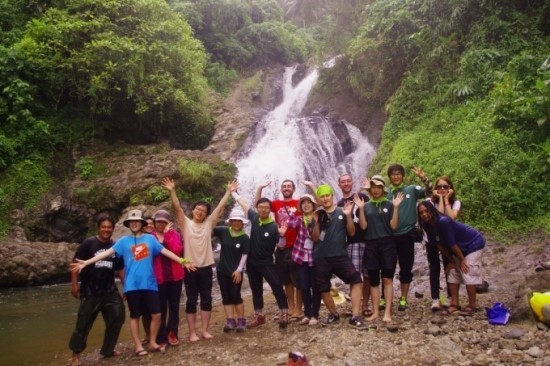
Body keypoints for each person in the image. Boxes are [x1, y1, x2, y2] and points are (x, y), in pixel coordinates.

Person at [70, 209, 196, 357]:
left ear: (142, 223)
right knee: (135, 316)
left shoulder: (150, 239)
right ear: (129, 224)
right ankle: (137, 346)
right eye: (132, 222)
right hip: (132, 286)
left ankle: (153, 342)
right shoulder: (123, 241)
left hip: (150, 284)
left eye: (137, 221)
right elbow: (106, 253)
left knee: (156, 315)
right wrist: (86, 262)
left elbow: (165, 252)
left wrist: (182, 261)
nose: (134, 224)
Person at [161, 177, 237, 342]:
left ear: (206, 214)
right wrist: (172, 191)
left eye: (203, 210)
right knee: (191, 300)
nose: (200, 211)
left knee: (207, 299)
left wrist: (228, 192)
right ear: (193, 210)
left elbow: (218, 209)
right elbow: (177, 208)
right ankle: (192, 333)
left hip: (206, 268)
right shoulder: (185, 224)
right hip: (190, 268)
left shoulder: (209, 224)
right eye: (197, 209)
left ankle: (204, 330)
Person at [67, 215, 125, 366]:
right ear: (99, 228)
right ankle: (75, 354)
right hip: (90, 290)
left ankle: (108, 350)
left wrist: (125, 288)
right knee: (83, 323)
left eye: (109, 227)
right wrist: (74, 284)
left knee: (118, 316)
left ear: (113, 228)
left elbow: (119, 269)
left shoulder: (115, 246)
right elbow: (75, 263)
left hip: (110, 290)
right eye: (103, 227)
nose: (106, 229)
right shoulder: (89, 243)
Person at [232, 188, 290, 328]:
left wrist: (282, 235)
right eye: (260, 207)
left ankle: (284, 313)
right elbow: (244, 204)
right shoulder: (254, 217)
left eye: (266, 208)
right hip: (252, 263)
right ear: (257, 208)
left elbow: (281, 246)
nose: (263, 210)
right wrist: (232, 192)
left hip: (267, 262)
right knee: (256, 289)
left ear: (270, 210)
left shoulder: (274, 227)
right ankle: (259, 316)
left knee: (277, 286)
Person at [310, 184, 366, 329]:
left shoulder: (342, 211)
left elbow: (352, 233)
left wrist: (348, 216)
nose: (325, 198)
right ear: (320, 199)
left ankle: (355, 315)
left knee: (356, 280)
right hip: (321, 257)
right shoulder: (317, 214)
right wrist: (316, 222)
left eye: (327, 195)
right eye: (322, 196)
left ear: (332, 195)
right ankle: (333, 313)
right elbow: (315, 238)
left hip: (340, 255)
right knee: (323, 287)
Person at [417, 202, 485, 315]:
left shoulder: (444, 221)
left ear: (432, 210)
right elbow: (439, 245)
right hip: (458, 248)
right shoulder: (426, 225)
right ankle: (455, 304)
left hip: (473, 243)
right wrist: (453, 261)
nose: (424, 214)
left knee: (467, 269)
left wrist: (462, 260)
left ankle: (472, 305)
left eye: (426, 211)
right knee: (452, 271)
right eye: (421, 213)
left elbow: (452, 243)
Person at [355, 175, 404, 322]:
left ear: (383, 189)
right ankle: (376, 311)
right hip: (371, 244)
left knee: (387, 279)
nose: (376, 190)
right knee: (374, 280)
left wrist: (395, 208)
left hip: (388, 244)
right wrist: (361, 209)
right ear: (370, 189)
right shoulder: (367, 205)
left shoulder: (389, 204)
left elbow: (394, 226)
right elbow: (363, 226)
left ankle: (387, 312)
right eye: (373, 187)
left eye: (378, 187)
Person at [385, 164, 432, 311]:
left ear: (403, 176)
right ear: (390, 177)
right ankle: (384, 298)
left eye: (398, 173)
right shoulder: (386, 194)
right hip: (390, 236)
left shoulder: (411, 189)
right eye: (393, 174)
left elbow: (429, 192)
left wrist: (424, 178)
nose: (396, 176)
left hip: (406, 235)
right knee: (387, 269)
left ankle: (403, 299)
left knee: (406, 268)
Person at [255, 179, 303, 319]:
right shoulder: (275, 204)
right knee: (286, 280)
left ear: (294, 189)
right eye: (284, 186)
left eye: (289, 186)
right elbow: (258, 205)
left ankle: (299, 309)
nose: (286, 188)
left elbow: (314, 206)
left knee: (297, 280)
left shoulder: (299, 203)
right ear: (281, 189)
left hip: (296, 246)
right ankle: (291, 307)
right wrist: (260, 188)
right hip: (281, 247)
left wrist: (311, 187)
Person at [145, 209, 184, 346]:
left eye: (164, 222)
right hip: (158, 278)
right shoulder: (150, 237)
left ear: (168, 223)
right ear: (154, 222)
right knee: (160, 308)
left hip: (175, 277)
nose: (161, 224)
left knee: (174, 306)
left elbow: (177, 250)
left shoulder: (174, 234)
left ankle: (173, 332)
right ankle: (161, 337)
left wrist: (168, 235)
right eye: (159, 222)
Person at [337, 173, 371, 316]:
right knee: (355, 276)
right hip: (351, 243)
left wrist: (369, 189)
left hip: (368, 240)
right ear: (339, 185)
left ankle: (365, 305)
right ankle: (355, 306)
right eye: (343, 182)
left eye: (348, 181)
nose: (346, 183)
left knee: (368, 275)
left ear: (353, 182)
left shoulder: (362, 197)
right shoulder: (338, 205)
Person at [285, 194, 321, 326]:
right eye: (303, 203)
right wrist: (292, 214)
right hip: (301, 258)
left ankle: (315, 315)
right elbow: (289, 224)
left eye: (309, 203)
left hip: (315, 257)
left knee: (315, 287)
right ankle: (307, 314)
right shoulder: (299, 219)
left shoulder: (318, 218)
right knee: (304, 287)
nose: (306, 205)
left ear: (313, 205)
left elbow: (321, 236)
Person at [426, 176, 461, 311]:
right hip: (431, 239)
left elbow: (450, 218)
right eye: (439, 187)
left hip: (447, 240)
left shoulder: (456, 203)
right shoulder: (429, 201)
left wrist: (445, 199)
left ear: (450, 188)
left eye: (445, 186)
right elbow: (439, 216)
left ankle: (450, 297)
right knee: (434, 268)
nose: (442, 189)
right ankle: (435, 298)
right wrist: (440, 198)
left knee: (449, 266)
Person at [212, 209, 250, 332]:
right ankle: (230, 320)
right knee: (226, 296)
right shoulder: (223, 231)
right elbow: (210, 227)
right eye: (233, 221)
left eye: (238, 221)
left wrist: (239, 270)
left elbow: (245, 255)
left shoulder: (245, 238)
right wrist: (217, 215)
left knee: (236, 295)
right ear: (230, 221)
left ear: (242, 223)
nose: (236, 223)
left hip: (235, 271)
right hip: (222, 270)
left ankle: (241, 320)